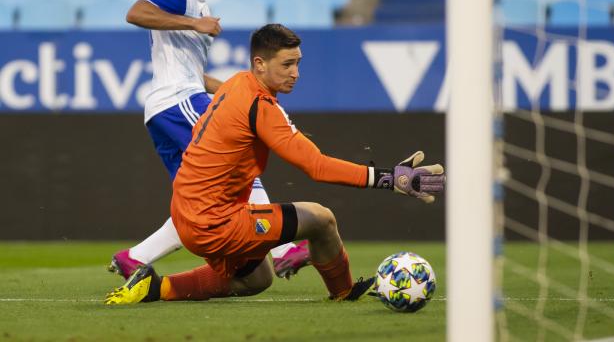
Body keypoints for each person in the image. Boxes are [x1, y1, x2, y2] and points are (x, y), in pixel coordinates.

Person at [104, 24, 445, 305]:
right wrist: (389, 178)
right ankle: (343, 292)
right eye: (287, 64)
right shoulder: (260, 105)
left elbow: (261, 129)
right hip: (214, 221)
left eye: (298, 63)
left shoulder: (237, 83)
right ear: (260, 64)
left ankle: (154, 287)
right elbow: (316, 167)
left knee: (258, 278)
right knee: (321, 219)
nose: (295, 73)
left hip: (187, 212)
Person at [108, 0, 310, 282]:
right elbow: (135, 13)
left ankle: (135, 257)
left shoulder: (199, 4)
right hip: (178, 101)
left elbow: (193, 72)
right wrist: (192, 24)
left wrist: (230, 88)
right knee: (240, 161)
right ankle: (283, 249)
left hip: (170, 105)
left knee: (197, 201)